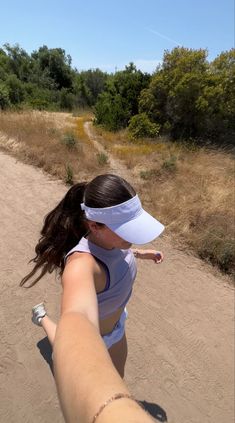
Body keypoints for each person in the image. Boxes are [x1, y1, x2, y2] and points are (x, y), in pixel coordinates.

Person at [21, 174, 164, 378]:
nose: (132, 237)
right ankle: (42, 318)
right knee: (66, 352)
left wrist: (142, 254)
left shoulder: (113, 242)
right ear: (94, 226)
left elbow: (116, 255)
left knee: (118, 379)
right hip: (95, 339)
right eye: (126, 229)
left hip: (117, 327)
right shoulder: (81, 267)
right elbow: (78, 321)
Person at [54, 310, 155, 422]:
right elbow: (75, 313)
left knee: (118, 375)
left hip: (116, 328)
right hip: (92, 334)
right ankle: (42, 318)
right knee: (69, 348)